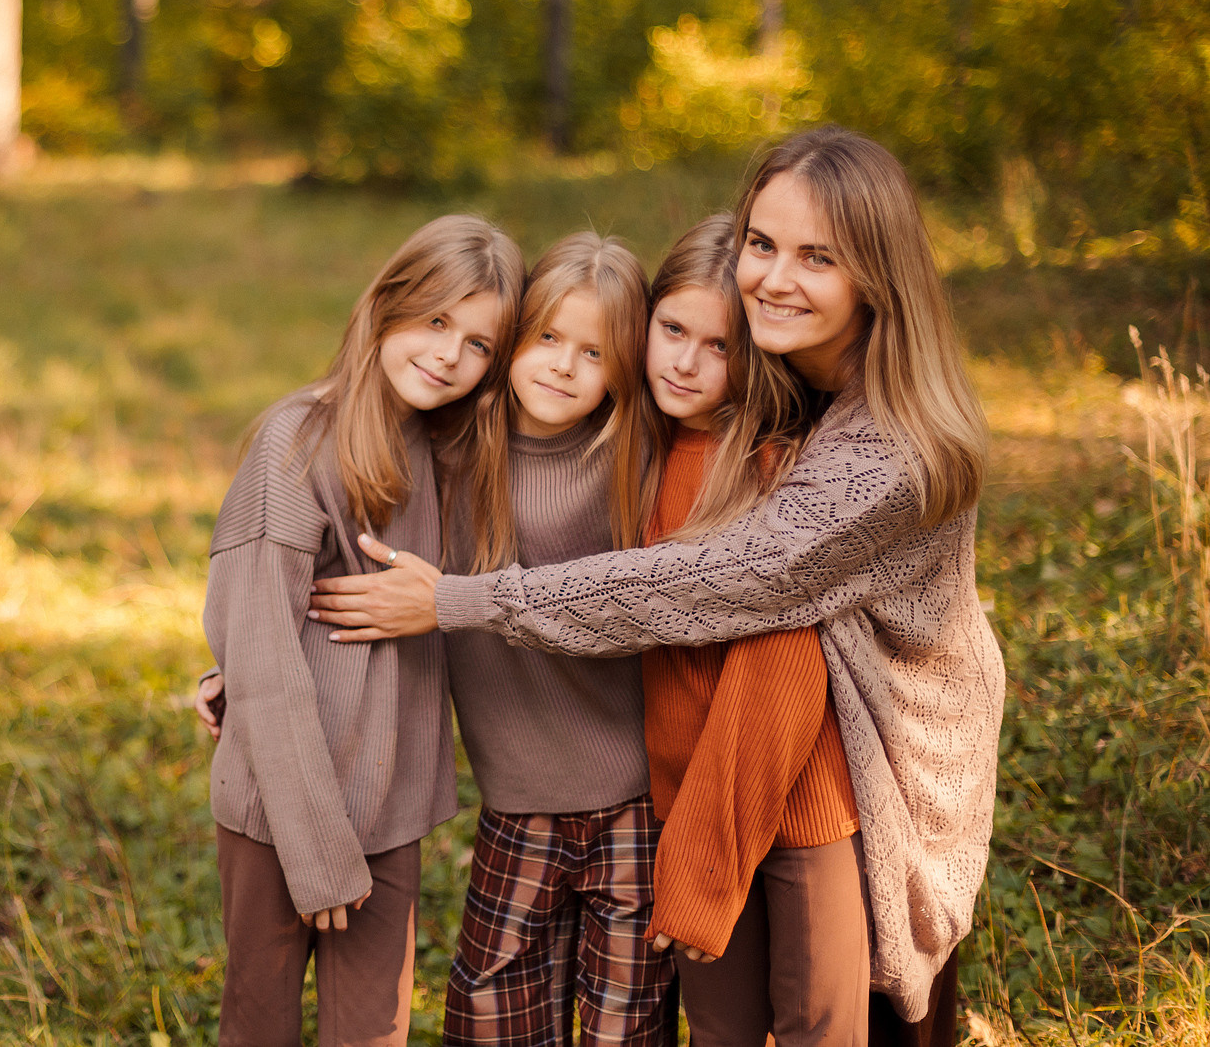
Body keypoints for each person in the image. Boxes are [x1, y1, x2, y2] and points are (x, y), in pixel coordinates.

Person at [307, 126, 1004, 1038]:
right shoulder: (769, 376)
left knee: (856, 1013)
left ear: (876, 273)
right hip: (738, 753)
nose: (772, 278)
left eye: (816, 257)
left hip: (888, 752)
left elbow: (719, 577)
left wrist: (461, 599)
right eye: (762, 244)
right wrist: (263, 653)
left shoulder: (889, 447)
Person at [201, 214, 523, 1047]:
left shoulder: (450, 454)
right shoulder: (297, 442)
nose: (450, 355)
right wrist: (315, 852)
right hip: (282, 813)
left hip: (388, 809)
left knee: (373, 1030)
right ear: (386, 307)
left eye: (480, 343)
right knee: (259, 1023)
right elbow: (265, 654)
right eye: (435, 321)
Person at [624, 214, 870, 1043]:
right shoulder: (638, 450)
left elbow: (784, 664)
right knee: (722, 1032)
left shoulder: (770, 468)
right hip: (685, 797)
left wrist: (699, 861)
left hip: (800, 803)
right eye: (671, 330)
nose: (686, 362)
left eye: (719, 345)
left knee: (819, 1027)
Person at [436, 232, 676, 1047]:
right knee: (493, 1014)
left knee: (625, 1023)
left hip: (635, 803)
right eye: (547, 338)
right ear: (515, 336)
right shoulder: (455, 451)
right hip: (518, 801)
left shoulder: (637, 458)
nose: (564, 366)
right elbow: (352, 551)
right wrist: (244, 658)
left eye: (594, 351)